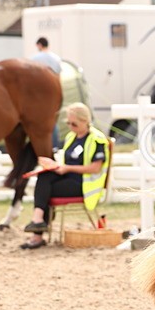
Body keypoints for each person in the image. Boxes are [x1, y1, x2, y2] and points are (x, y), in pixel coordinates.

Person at [20, 102, 110, 250]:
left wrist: (67, 168)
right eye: (68, 123)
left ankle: (37, 231)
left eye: (73, 124)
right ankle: (37, 222)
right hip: (67, 178)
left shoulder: (97, 139)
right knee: (44, 177)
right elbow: (65, 161)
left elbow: (95, 168)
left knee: (44, 190)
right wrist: (53, 164)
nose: (70, 127)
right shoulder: (70, 137)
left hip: (84, 185)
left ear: (85, 120)